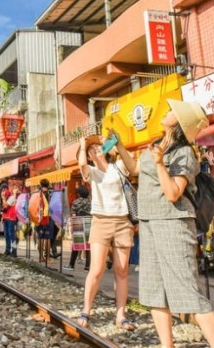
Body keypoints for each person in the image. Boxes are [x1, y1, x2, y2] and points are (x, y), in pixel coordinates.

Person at [112, 99, 214, 348]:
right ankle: (167, 345)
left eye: (172, 111)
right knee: (154, 291)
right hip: (149, 222)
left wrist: (161, 163)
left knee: (188, 292)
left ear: (180, 123)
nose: (166, 110)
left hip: (173, 223)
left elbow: (173, 192)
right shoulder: (155, 145)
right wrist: (119, 144)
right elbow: (134, 168)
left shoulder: (184, 153)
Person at [75, 135, 135, 331]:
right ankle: (86, 310)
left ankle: (121, 315)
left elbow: (132, 164)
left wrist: (117, 143)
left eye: (97, 147)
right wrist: (83, 146)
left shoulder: (118, 166)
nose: (95, 150)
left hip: (122, 221)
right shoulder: (91, 171)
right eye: (91, 150)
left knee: (122, 270)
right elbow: (82, 165)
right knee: (97, 269)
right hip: (100, 221)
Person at [66, 184, 91, 271]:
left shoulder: (76, 202)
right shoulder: (90, 202)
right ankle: (87, 266)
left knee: (76, 244)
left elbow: (73, 214)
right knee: (88, 245)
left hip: (78, 221)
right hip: (89, 222)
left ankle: (71, 265)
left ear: (79, 193)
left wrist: (71, 226)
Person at [1, 187, 18, 256]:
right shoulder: (7, 198)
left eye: (4, 192)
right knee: (7, 235)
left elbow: (5, 205)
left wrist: (3, 198)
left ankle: (14, 250)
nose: (3, 193)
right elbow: (5, 209)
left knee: (12, 235)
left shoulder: (11, 198)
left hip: (11, 219)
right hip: (6, 219)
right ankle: (7, 250)